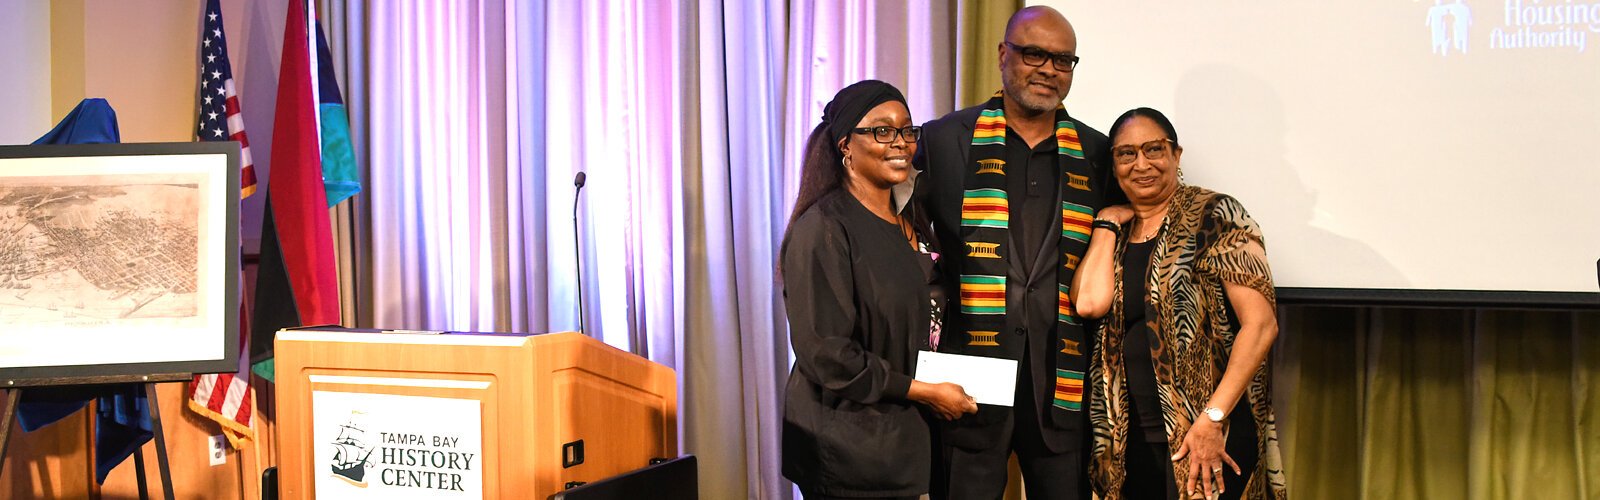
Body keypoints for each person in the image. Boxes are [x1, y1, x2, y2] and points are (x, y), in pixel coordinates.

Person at [913, 6, 1120, 499]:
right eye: (1035, 54)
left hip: (1062, 380)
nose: (1049, 69)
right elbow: (911, 241)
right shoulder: (943, 140)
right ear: (1003, 54)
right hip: (967, 375)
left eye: (1063, 60)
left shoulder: (1096, 153)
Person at [1071, 107, 1288, 500]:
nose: (1141, 164)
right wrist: (1104, 224)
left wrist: (1213, 417)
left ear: (1176, 154)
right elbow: (1088, 304)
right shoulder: (1117, 231)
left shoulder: (1217, 216)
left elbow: (1261, 325)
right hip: (1128, 441)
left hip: (1207, 433)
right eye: (1126, 154)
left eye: (1154, 149)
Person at [781, 80, 979, 500]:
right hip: (851, 448)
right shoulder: (824, 228)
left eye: (907, 130)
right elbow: (828, 354)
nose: (901, 143)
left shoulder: (912, 220)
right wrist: (925, 391)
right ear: (844, 145)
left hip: (908, 441)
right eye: (881, 131)